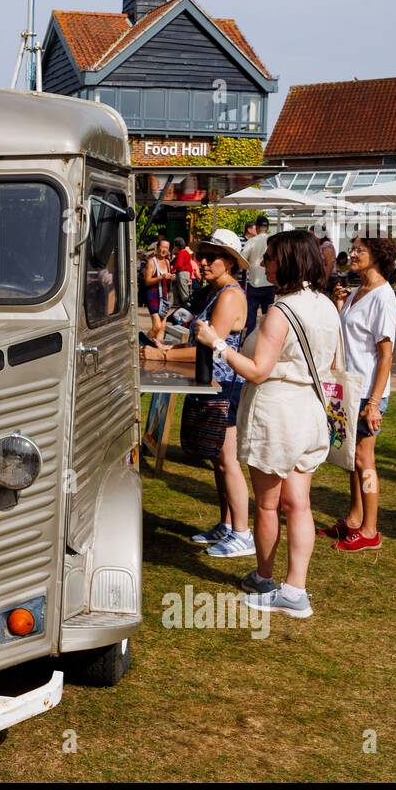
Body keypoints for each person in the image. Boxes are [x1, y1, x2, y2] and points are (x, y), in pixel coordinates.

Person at [194, 230, 341, 617]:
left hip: (278, 413)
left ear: (288, 261)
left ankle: (264, 578)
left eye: (271, 257)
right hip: (310, 409)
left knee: (269, 505)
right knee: (300, 505)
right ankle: (296, 588)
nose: (264, 264)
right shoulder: (326, 305)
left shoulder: (282, 310)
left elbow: (258, 371)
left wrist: (218, 344)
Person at [143, 229, 252, 557]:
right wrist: (168, 347)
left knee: (227, 461)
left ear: (229, 262)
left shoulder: (230, 295)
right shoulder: (215, 292)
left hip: (224, 385)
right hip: (211, 383)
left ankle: (242, 533)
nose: (202, 262)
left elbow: (210, 348)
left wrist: (162, 355)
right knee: (219, 460)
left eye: (210, 257)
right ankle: (227, 523)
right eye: (201, 256)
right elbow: (196, 345)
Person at [325, 236, 396, 552]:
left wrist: (373, 403)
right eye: (352, 249)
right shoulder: (356, 292)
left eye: (359, 250)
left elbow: (386, 355)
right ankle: (354, 520)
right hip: (348, 389)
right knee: (351, 458)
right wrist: (339, 304)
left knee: (364, 460)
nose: (351, 254)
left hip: (369, 393)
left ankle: (370, 530)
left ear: (377, 256)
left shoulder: (384, 296)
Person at [241, 215, 273, 336]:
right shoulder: (273, 241)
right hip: (270, 284)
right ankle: (266, 339)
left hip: (254, 283)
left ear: (257, 227)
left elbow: (243, 261)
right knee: (268, 317)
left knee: (251, 318)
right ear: (268, 227)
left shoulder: (252, 241)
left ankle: (250, 340)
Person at [144, 236, 173, 340]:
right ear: (157, 247)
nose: (164, 250)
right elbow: (147, 281)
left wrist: (171, 278)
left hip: (164, 297)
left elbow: (167, 281)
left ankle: (158, 349)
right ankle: (143, 341)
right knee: (157, 327)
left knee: (163, 327)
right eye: (162, 247)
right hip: (153, 297)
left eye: (167, 248)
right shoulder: (151, 262)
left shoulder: (167, 262)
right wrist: (161, 277)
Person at [172, 236, 196, 310]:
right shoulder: (185, 252)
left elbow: (179, 264)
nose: (174, 247)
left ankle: (188, 308)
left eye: (174, 245)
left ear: (177, 245)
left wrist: (173, 268)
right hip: (185, 273)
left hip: (182, 273)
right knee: (181, 291)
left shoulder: (182, 253)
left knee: (184, 292)